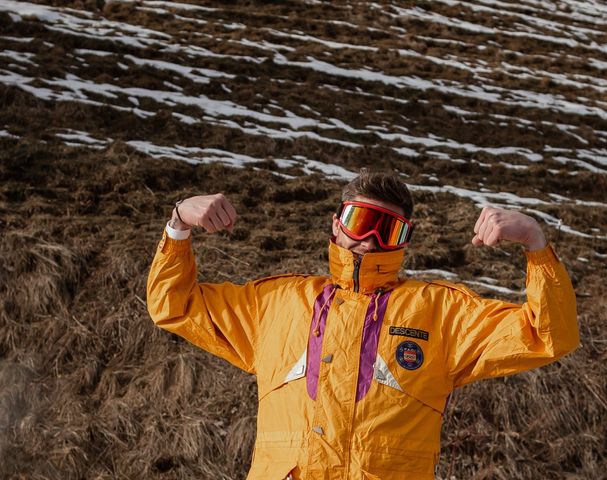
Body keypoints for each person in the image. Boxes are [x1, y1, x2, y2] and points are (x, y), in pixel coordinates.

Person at [147, 169, 579, 480]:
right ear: (336, 225)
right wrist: (179, 222)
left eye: (387, 229)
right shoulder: (275, 303)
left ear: (403, 241)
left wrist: (535, 244)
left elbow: (548, 335)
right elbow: (173, 305)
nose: (369, 239)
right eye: (360, 221)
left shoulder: (441, 313)